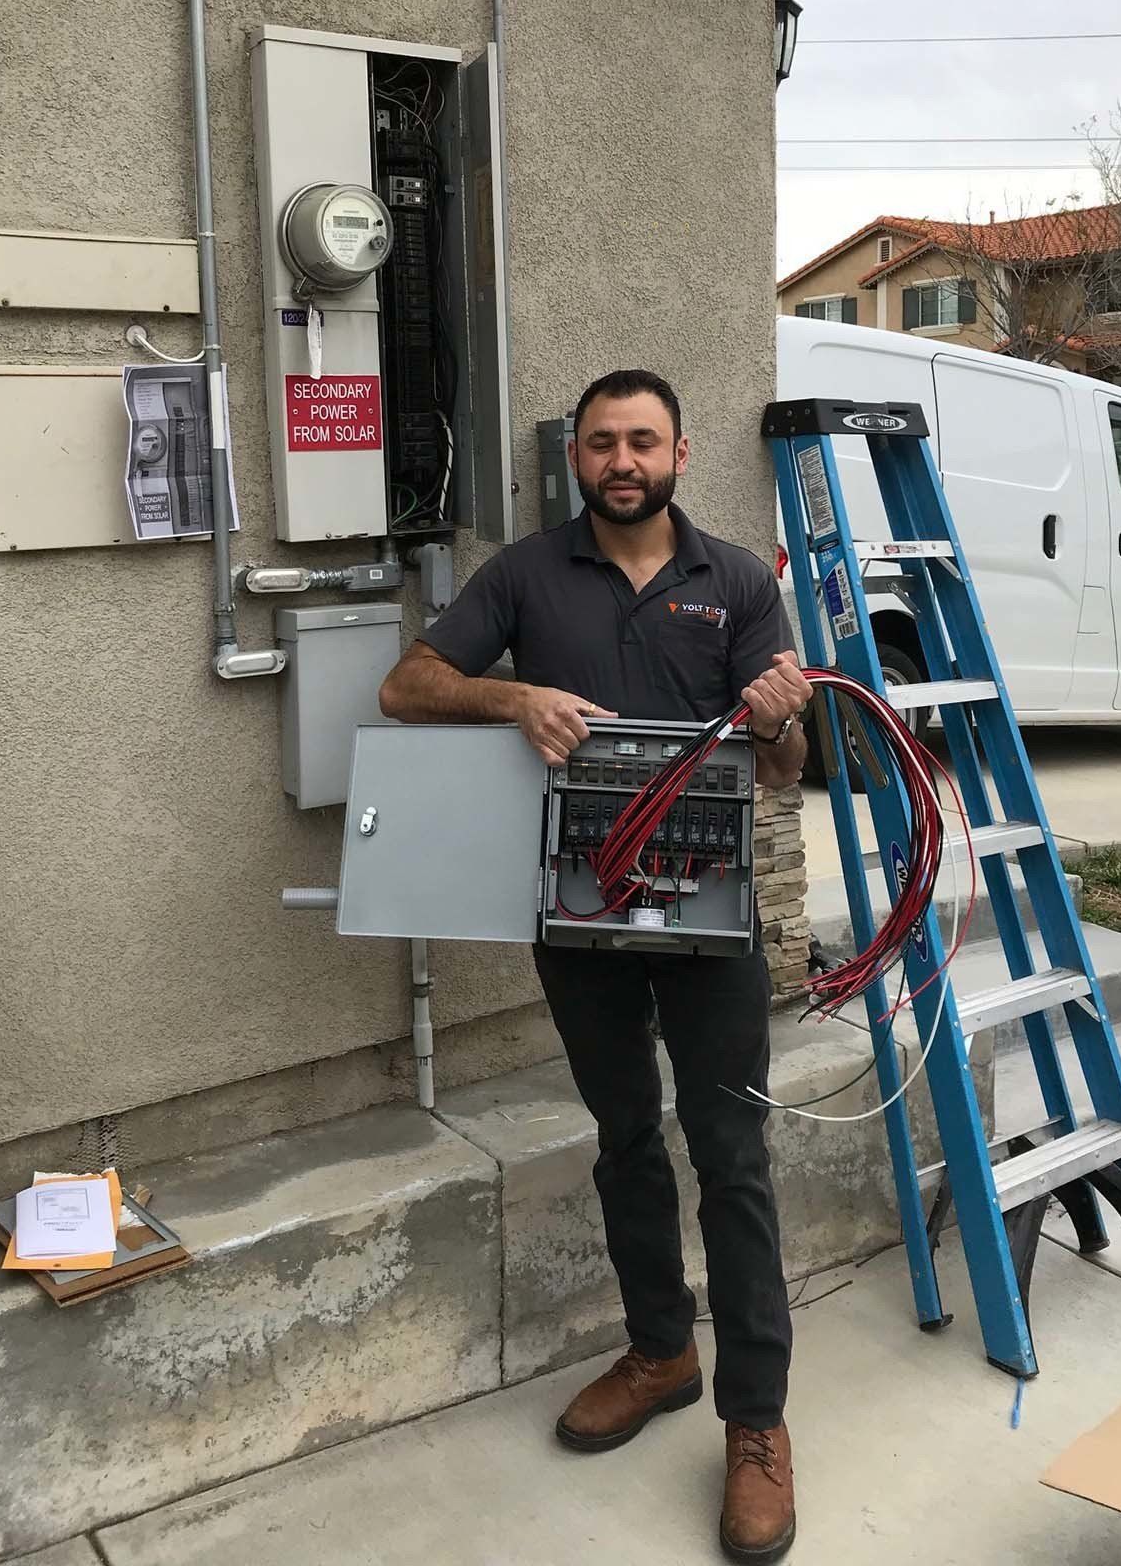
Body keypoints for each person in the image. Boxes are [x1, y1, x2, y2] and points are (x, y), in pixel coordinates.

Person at [379, 368, 812, 1563]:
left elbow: (784, 768)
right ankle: (661, 1352)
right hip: (582, 916)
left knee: (732, 1159)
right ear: (576, 457)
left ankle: (757, 1421)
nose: (623, 461)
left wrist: (778, 717)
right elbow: (407, 685)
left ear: (679, 454)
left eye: (643, 442)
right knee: (625, 1139)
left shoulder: (738, 581)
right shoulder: (526, 574)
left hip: (710, 920)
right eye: (602, 443)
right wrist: (513, 697)